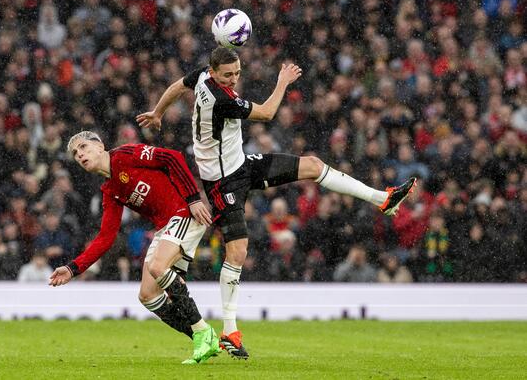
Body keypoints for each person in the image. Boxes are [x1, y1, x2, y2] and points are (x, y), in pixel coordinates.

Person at [137, 46, 417, 358]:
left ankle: (383, 198)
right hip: (220, 182)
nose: (234, 79)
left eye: (238, 73)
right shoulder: (223, 99)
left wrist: (159, 111)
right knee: (238, 250)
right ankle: (230, 330)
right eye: (228, 75)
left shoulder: (202, 76)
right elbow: (268, 113)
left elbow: (178, 86)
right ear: (214, 73)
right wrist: (282, 81)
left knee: (311, 164)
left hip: (241, 165)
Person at [49, 131, 220, 365]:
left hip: (185, 212)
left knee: (158, 267)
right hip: (165, 228)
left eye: (83, 147)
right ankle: (202, 337)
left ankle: (203, 331)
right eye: (76, 154)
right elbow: (105, 238)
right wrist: (72, 269)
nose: (80, 154)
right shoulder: (110, 191)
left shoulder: (125, 154)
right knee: (147, 296)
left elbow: (172, 157)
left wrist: (193, 198)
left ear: (100, 146)